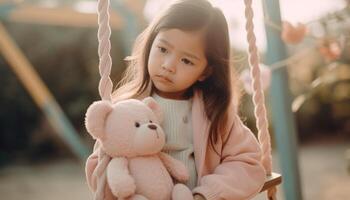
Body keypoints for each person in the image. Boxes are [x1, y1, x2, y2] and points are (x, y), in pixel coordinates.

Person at [86, 0, 265, 199]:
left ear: (205, 72)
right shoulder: (125, 109)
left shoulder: (214, 113)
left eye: (186, 60)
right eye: (163, 49)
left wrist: (206, 194)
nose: (169, 65)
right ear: (151, 42)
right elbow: (99, 169)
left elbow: (247, 163)